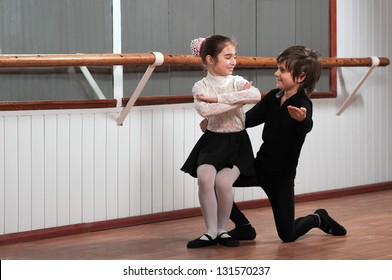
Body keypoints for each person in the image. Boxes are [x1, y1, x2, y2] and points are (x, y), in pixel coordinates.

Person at [203, 45, 347, 242]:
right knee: (213, 182)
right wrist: (214, 122)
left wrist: (301, 120)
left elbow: (306, 126)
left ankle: (319, 218)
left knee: (287, 236)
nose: (276, 73)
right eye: (278, 68)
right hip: (258, 167)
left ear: (301, 76)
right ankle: (244, 227)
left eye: (282, 70)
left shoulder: (303, 104)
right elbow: (244, 121)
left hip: (281, 177)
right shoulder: (273, 97)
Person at [181, 35, 261, 248]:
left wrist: (219, 99)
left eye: (234, 56)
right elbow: (205, 110)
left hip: (237, 143)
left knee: (223, 183)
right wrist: (238, 101)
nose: (233, 61)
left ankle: (223, 230)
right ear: (210, 59)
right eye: (227, 57)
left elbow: (255, 95)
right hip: (213, 141)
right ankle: (211, 232)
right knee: (204, 178)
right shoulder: (200, 86)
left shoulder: (236, 81)